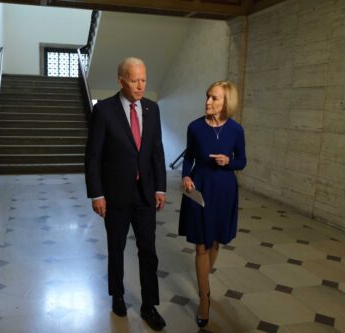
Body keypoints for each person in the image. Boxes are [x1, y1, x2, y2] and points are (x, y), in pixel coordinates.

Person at [85, 57, 167, 331]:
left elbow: (156, 151)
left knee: (148, 251)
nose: (141, 85)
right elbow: (93, 156)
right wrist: (97, 194)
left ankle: (149, 305)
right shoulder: (104, 111)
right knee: (116, 249)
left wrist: (159, 187)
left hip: (145, 195)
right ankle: (117, 294)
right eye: (135, 80)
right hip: (116, 195)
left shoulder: (152, 109)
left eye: (144, 79)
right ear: (121, 81)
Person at [178, 80, 246, 327]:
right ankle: (204, 299)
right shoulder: (195, 127)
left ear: (226, 102)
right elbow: (188, 157)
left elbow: (243, 162)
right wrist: (186, 175)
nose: (208, 101)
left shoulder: (236, 130)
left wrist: (229, 161)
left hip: (224, 190)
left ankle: (203, 282)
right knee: (200, 245)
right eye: (207, 96)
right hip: (199, 188)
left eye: (214, 98)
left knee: (215, 240)